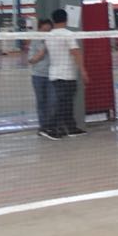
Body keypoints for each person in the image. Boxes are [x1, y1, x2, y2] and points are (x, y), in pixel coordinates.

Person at [43, 8, 87, 140]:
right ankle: (49, 128)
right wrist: (83, 70)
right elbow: (76, 53)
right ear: (66, 19)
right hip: (67, 74)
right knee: (63, 103)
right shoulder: (68, 34)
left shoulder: (48, 36)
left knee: (67, 103)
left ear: (53, 20)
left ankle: (71, 128)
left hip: (54, 74)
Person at [25, 17, 53, 136]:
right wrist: (43, 50)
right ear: (40, 29)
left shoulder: (54, 40)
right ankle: (43, 126)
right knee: (41, 101)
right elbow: (31, 59)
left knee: (52, 101)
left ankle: (52, 125)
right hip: (38, 76)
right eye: (44, 31)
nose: (46, 33)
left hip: (52, 75)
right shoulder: (35, 41)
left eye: (49, 31)